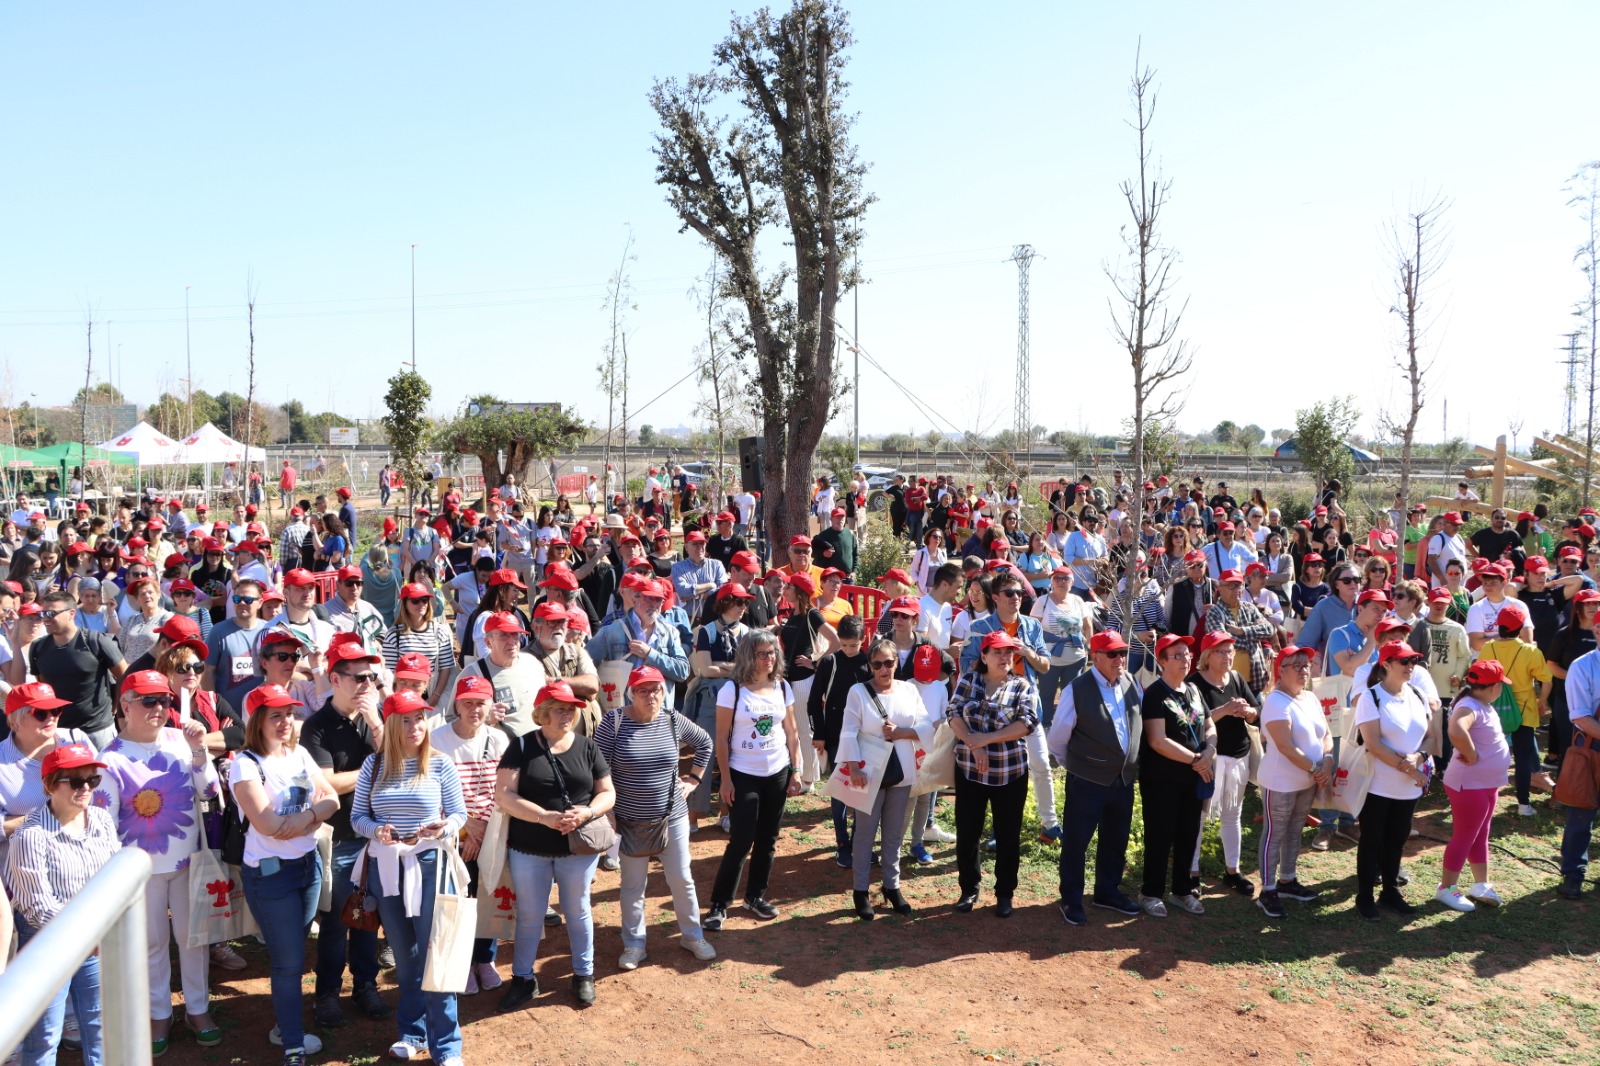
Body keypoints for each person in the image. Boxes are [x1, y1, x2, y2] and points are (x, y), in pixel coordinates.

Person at [94, 670, 222, 1053]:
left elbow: (209, 790)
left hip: (188, 860)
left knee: (193, 939)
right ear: (124, 705)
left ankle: (198, 1009)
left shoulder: (180, 740)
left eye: (164, 700)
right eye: (148, 700)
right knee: (151, 943)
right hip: (139, 870)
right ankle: (159, 1013)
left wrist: (198, 751)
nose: (159, 708)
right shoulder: (109, 759)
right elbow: (103, 826)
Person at [350, 690, 467, 1063]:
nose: (415, 726)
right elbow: (357, 817)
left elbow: (459, 814)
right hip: (387, 868)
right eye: (405, 719)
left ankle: (446, 1045)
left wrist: (444, 826)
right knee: (405, 955)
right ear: (389, 724)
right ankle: (412, 1033)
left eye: (419, 718)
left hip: (431, 865)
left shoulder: (440, 763)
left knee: (437, 954)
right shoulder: (373, 765)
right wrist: (376, 830)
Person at [230, 684, 338, 1065]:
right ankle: (292, 1043)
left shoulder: (300, 753)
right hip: (270, 876)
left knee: (293, 954)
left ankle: (284, 1026)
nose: (285, 721)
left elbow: (332, 799)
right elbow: (266, 824)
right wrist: (312, 818)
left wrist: (305, 818)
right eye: (275, 715)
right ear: (257, 721)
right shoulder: (245, 764)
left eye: (289, 713)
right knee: (288, 962)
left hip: (308, 868)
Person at [495, 681, 616, 1010]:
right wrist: (543, 817)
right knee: (530, 915)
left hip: (577, 848)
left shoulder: (587, 746)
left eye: (572, 709)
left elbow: (607, 792)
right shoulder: (521, 746)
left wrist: (588, 811)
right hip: (529, 847)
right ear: (543, 713)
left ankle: (584, 974)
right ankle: (523, 979)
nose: (568, 714)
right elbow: (503, 794)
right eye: (560, 709)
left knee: (577, 910)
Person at [594, 665, 717, 968]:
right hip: (629, 821)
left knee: (682, 879)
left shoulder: (673, 719)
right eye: (642, 690)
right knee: (633, 885)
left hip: (671, 816)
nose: (650, 695)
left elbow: (705, 742)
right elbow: (597, 767)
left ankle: (692, 936)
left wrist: (694, 780)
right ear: (631, 693)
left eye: (656, 689)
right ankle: (634, 945)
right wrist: (607, 810)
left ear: (664, 691)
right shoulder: (614, 721)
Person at [7, 743, 119, 1066]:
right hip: (47, 944)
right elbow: (37, 908)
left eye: (92, 780)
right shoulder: (30, 837)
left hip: (94, 940)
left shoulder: (101, 820)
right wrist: (89, 937)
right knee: (44, 1036)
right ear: (50, 785)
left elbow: (113, 879)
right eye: (76, 781)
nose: (86, 788)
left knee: (100, 1026)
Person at [300, 639, 392, 1028]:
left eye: (371, 677)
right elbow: (326, 785)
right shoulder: (316, 726)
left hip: (376, 836)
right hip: (338, 838)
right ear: (335, 679)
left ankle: (365, 986)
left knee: (369, 918)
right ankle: (327, 993)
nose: (367, 685)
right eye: (358, 677)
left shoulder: (376, 718)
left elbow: (399, 763)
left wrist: (377, 724)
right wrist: (373, 769)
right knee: (337, 922)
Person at [703, 629, 802, 930]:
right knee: (741, 840)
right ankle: (720, 904)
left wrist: (796, 770)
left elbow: (792, 732)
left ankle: (755, 897)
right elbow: (721, 739)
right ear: (748, 656)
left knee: (768, 838)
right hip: (743, 773)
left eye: (772, 652)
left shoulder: (782, 686)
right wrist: (726, 780)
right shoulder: (731, 690)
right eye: (762, 654)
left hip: (777, 772)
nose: (769, 658)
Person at [1046, 630, 1144, 925]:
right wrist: (1080, 766)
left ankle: (1107, 892)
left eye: (1122, 653)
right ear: (1095, 656)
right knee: (1076, 843)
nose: (1119, 659)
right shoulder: (1077, 689)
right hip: (1087, 781)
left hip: (1122, 780)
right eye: (1112, 654)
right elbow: (1057, 739)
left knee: (1116, 839)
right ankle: (1071, 899)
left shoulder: (1131, 682)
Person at [959, 569, 1062, 843]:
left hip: (1027, 708)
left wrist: (1026, 651)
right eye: (1009, 593)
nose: (1016, 597)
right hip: (993, 711)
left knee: (1041, 765)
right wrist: (996, 656)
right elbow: (966, 666)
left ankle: (1050, 824)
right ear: (995, 597)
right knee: (997, 773)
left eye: (1019, 593)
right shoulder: (980, 627)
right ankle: (998, 830)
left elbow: (1045, 665)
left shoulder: (1031, 626)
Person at [837, 637, 936, 920]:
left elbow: (926, 725)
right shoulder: (858, 692)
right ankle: (860, 891)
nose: (883, 669)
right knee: (865, 834)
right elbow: (848, 730)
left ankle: (892, 886)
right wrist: (853, 768)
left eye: (889, 663)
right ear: (870, 665)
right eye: (877, 664)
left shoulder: (909, 690)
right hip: (868, 772)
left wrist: (902, 733)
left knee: (894, 834)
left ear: (896, 662)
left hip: (902, 770)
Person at [948, 631, 1039, 917]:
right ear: (984, 656)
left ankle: (1005, 893)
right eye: (997, 651)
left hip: (1010, 773)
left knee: (1008, 835)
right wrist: (973, 745)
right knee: (968, 832)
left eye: (1009, 652)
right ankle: (969, 888)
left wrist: (983, 741)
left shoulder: (1022, 686)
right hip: (969, 771)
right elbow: (953, 713)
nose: (1004, 657)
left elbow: (1027, 723)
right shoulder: (969, 680)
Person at [431, 675, 510, 995]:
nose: (474, 709)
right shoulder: (437, 739)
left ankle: (485, 959)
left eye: (481, 703)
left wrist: (482, 833)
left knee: (487, 896)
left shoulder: (500, 739)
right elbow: (432, 792)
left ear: (490, 705)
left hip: (491, 833)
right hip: (452, 836)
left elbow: (504, 791)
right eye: (468, 703)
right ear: (456, 704)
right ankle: (461, 962)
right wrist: (465, 828)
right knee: (458, 900)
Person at [1351, 641, 1435, 919]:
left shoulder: (1418, 694)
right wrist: (1412, 770)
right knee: (1372, 840)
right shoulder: (1371, 697)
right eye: (1404, 661)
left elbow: (1431, 737)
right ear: (1386, 664)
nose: (1411, 666)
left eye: (1413, 661)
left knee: (1396, 840)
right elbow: (1374, 744)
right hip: (1377, 785)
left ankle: (1390, 892)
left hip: (1408, 788)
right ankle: (1364, 896)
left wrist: (1419, 757)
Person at [1252, 645, 1333, 919]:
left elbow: (1325, 734)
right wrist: (1316, 769)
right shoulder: (1275, 701)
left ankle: (1287, 880)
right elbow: (1285, 746)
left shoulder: (1310, 697)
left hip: (1307, 780)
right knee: (1274, 833)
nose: (1304, 671)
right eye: (1296, 666)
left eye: (1306, 665)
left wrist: (1328, 760)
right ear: (1281, 671)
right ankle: (1268, 890)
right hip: (1281, 781)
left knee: (1295, 830)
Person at [1432, 659, 1513, 912]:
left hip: (1485, 784)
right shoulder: (1469, 706)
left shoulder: (1481, 704)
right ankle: (1446, 888)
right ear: (1495, 687)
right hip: (1469, 785)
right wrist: (1472, 754)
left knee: (1480, 833)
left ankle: (1481, 884)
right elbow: (1456, 731)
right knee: (1465, 835)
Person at [1187, 631, 1259, 895]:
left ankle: (1233, 871)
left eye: (1231, 651)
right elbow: (1192, 722)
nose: (1228, 656)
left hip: (1239, 755)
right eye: (1222, 651)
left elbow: (1256, 711)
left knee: (1233, 814)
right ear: (1207, 655)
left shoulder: (1236, 678)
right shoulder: (1194, 684)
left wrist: (1248, 712)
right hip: (1210, 759)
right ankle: (1192, 873)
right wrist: (1225, 710)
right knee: (1199, 816)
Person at [1476, 608, 1555, 816]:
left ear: (1499, 626)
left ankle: (1483, 800)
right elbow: (1547, 681)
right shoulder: (1531, 651)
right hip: (1524, 711)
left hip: (1493, 709)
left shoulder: (1488, 647)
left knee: (1487, 756)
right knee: (1522, 759)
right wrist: (1541, 702)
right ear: (1520, 628)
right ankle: (1523, 805)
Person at [30, 589, 126, 750]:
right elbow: (43, 687)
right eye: (43, 613)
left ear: (71, 613)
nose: (46, 618)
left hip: (98, 730)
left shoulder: (96, 641)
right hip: (60, 732)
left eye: (52, 613)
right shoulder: (38, 648)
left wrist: (116, 707)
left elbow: (125, 675)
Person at [383, 582, 455, 705]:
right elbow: (389, 672)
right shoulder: (394, 634)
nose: (421, 604)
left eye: (425, 599)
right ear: (404, 604)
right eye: (415, 600)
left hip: (432, 693)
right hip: (403, 695)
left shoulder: (440, 631)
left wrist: (435, 697)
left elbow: (446, 668)